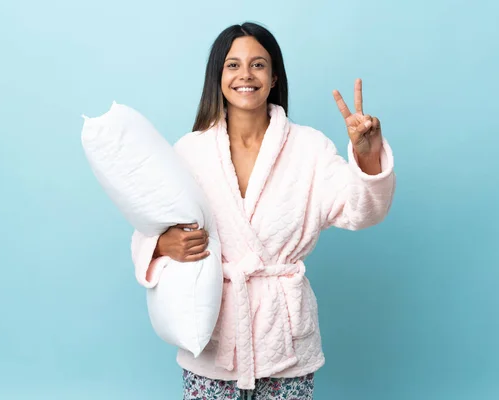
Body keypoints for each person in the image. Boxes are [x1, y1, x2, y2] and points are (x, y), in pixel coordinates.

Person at [131, 21, 396, 400]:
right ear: (218, 76)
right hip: (212, 334)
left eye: (258, 64)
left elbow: (361, 210)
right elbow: (147, 227)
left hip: (284, 340)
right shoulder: (190, 151)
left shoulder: (309, 148)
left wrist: (367, 156)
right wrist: (162, 244)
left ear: (273, 78)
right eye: (233, 65)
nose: (246, 75)